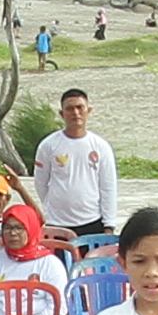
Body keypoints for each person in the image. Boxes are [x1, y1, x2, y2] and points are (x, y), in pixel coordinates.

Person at [26, 88, 119, 241]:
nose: (75, 113)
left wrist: (109, 225)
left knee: (89, 264)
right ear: (62, 114)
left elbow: (108, 187)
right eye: (70, 109)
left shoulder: (101, 146)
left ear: (88, 110)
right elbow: (40, 183)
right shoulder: (48, 145)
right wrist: (53, 207)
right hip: (57, 224)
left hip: (91, 222)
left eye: (79, 107)